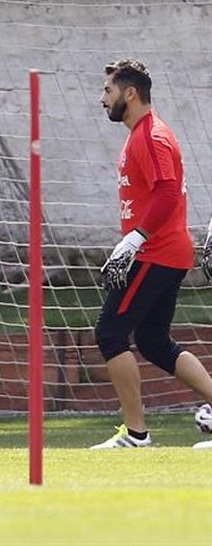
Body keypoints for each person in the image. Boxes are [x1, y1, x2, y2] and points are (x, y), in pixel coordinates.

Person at [93, 58, 212, 449]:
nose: (102, 99)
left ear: (129, 93)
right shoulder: (138, 134)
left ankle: (137, 434)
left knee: (110, 332)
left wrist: (134, 240)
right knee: (153, 340)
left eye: (107, 91)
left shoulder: (153, 135)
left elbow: (166, 192)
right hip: (161, 252)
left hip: (156, 253)